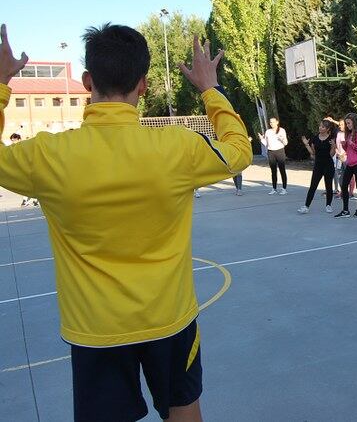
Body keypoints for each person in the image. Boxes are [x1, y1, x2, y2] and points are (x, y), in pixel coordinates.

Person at [0, 23, 252, 421]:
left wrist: (2, 84)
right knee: (183, 411)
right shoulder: (176, 146)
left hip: (95, 328)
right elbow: (238, 151)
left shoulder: (47, 156)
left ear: (87, 81)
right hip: (169, 318)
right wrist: (210, 89)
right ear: (144, 85)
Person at [334, 113, 357, 218]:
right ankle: (345, 210)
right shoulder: (349, 134)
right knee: (344, 185)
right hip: (349, 163)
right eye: (346, 124)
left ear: (354, 122)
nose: (347, 125)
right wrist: (345, 145)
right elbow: (348, 150)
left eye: (349, 123)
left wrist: (352, 144)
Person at [299, 119, 337, 214]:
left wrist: (334, 146)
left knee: (328, 186)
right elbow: (313, 153)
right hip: (318, 165)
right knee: (313, 186)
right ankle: (306, 206)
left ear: (328, 129)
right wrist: (306, 144)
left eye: (323, 126)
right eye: (320, 126)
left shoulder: (331, 139)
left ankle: (328, 205)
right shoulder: (315, 138)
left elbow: (331, 154)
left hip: (328, 164)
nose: (320, 128)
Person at [259, 117, 288, 195]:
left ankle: (284, 188)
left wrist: (282, 139)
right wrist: (262, 139)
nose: (271, 123)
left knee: (282, 170)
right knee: (273, 171)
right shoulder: (268, 131)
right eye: (270, 122)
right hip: (271, 152)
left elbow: (286, 143)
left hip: (280, 151)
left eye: (273, 122)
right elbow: (266, 143)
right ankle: (274, 188)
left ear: (277, 122)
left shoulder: (282, 130)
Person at [9, 133, 38, 207]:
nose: (13, 142)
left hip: (28, 169)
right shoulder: (13, 148)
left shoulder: (23, 146)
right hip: (21, 170)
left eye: (14, 140)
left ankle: (30, 200)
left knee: (31, 185)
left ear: (19, 139)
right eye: (12, 140)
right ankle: (30, 200)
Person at [334, 117, 356, 199]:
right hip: (339, 156)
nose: (340, 126)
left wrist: (344, 154)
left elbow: (351, 146)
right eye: (339, 125)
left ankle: (351, 193)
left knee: (349, 175)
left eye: (342, 124)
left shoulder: (350, 134)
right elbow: (336, 145)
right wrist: (338, 153)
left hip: (347, 157)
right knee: (340, 175)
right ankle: (343, 192)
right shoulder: (338, 133)